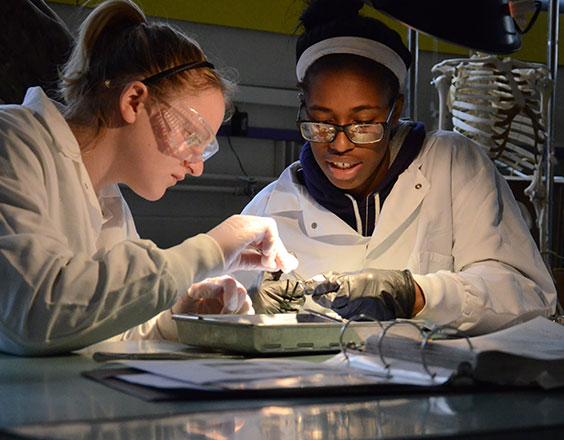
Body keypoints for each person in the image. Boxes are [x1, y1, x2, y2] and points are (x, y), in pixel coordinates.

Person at [232, 0, 556, 335]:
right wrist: (245, 305)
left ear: (395, 110)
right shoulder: (271, 208)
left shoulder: (451, 166)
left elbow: (530, 298)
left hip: (435, 383)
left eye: (364, 124)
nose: (340, 144)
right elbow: (208, 308)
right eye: (322, 123)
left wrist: (416, 295)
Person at [0, 0, 297, 356]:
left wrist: (176, 317)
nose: (196, 166)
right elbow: (32, 314)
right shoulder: (13, 142)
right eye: (191, 137)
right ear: (134, 101)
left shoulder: (108, 202)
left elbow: (97, 326)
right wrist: (210, 249)